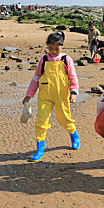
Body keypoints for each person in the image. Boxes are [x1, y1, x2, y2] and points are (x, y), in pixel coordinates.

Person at [22, 32, 80, 162]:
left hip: (61, 95)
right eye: (50, 48)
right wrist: (29, 95)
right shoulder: (44, 60)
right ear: (47, 47)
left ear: (62, 46)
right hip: (45, 96)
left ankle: (74, 134)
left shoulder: (66, 60)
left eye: (56, 49)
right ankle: (40, 149)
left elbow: (72, 77)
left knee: (64, 118)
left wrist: (74, 92)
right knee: (41, 121)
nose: (53, 51)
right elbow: (36, 78)